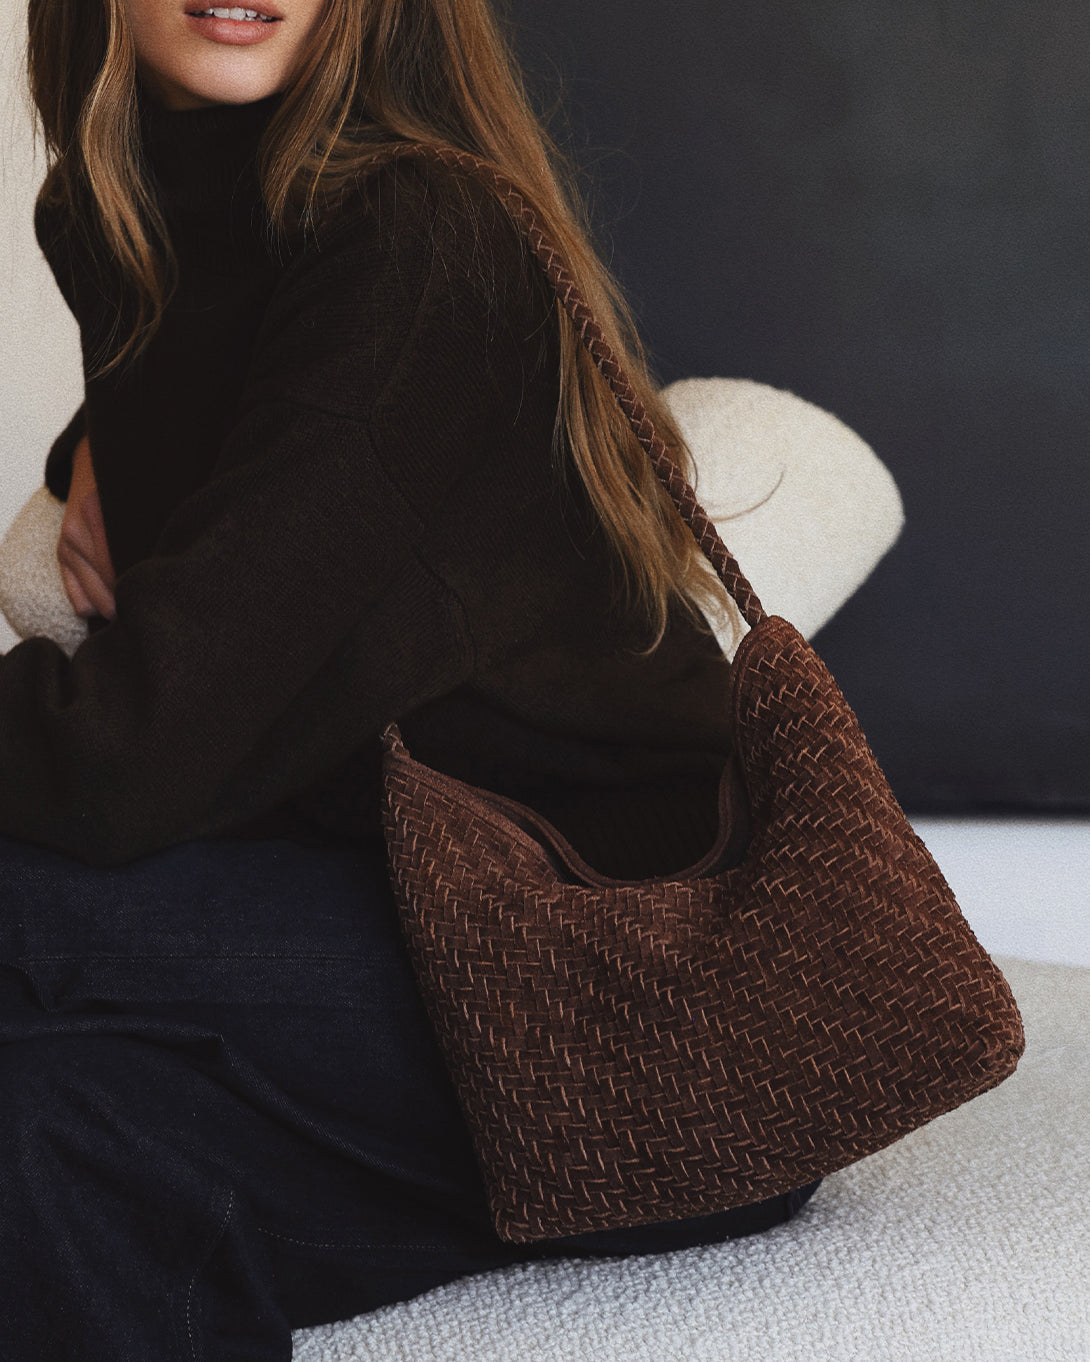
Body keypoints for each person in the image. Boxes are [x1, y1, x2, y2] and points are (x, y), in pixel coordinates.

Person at [3, 0, 822, 1356]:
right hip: (392, 944)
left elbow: (132, 751)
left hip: (632, 999)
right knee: (38, 1138)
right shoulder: (122, 222)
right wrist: (84, 447)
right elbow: (277, 451)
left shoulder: (419, 240)